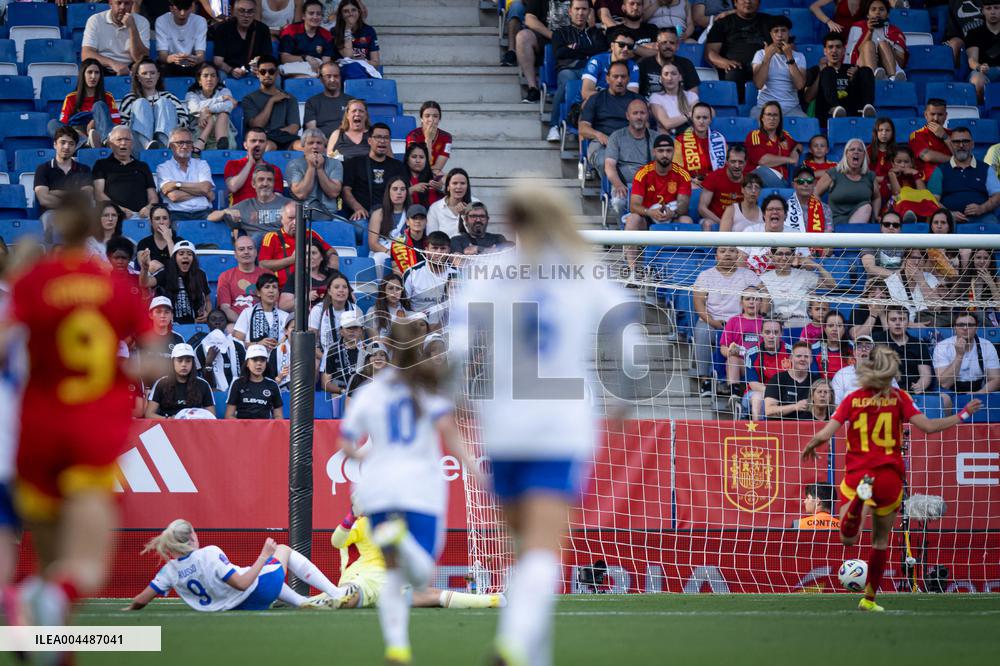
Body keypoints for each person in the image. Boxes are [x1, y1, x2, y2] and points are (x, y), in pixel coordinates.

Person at [448, 183, 641, 666]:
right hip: (563, 423)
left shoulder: (486, 270)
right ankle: (514, 644)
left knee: (522, 547)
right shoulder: (582, 270)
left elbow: (455, 349)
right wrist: (625, 395)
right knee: (541, 549)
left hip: (506, 422)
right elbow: (630, 331)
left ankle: (527, 652)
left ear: (509, 222)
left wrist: (455, 397)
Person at [0, 200, 161, 632]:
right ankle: (50, 597)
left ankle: (43, 622)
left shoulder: (33, 282)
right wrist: (116, 369)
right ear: (98, 231)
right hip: (91, 430)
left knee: (45, 548)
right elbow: (152, 359)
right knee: (87, 561)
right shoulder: (115, 286)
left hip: (35, 430)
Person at [336, 319, 476, 663]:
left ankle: (397, 647)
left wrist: (373, 452)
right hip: (419, 486)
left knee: (394, 575)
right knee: (420, 570)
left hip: (378, 487)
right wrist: (478, 473)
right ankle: (399, 539)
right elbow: (452, 437)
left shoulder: (370, 392)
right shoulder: (428, 391)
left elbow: (347, 445)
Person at [803, 346, 982, 611]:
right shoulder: (898, 397)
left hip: (858, 475)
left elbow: (827, 432)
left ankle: (857, 504)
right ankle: (869, 600)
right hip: (889, 476)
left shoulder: (853, 399)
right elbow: (928, 427)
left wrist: (812, 444)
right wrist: (963, 413)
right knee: (880, 542)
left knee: (848, 538)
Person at [126, 519, 344, 612]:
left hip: (238, 607)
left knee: (260, 569)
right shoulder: (209, 553)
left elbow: (140, 600)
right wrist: (263, 555)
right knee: (284, 550)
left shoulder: (169, 570)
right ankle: (335, 592)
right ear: (191, 536)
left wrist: (128, 610)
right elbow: (241, 583)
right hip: (258, 590)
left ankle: (300, 602)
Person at [321, 509, 504, 611]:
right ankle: (308, 601)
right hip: (364, 579)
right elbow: (336, 541)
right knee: (345, 598)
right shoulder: (361, 523)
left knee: (433, 595)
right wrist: (351, 515)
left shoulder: (395, 524)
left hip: (391, 584)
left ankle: (494, 600)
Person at [692, 246, 761, 397]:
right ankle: (706, 380)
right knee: (702, 332)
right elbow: (698, 303)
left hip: (741, 322)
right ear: (716, 255)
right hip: (714, 321)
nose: (727, 254)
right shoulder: (706, 275)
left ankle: (747, 382)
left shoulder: (748, 275)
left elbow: (764, 296)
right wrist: (713, 321)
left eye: (731, 251)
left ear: (738, 254)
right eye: (723, 251)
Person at [623, 135, 693, 268]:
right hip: (648, 220)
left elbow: (683, 206)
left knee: (687, 221)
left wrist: (673, 213)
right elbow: (634, 205)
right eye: (661, 151)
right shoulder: (643, 173)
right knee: (632, 219)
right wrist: (650, 212)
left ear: (673, 152)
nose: (665, 154)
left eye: (668, 150)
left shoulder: (682, 174)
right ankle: (633, 270)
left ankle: (683, 267)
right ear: (654, 152)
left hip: (672, 218)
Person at [546, 0, 608, 141]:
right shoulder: (560, 32)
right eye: (577, 9)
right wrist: (587, 52)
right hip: (569, 69)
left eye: (584, 9)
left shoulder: (596, 33)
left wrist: (574, 48)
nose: (580, 13)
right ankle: (554, 126)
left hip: (593, 72)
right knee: (568, 82)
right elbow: (559, 53)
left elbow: (601, 51)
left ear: (589, 12)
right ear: (570, 11)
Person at [578, 61, 644, 176]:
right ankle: (612, 192)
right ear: (607, 79)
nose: (619, 80)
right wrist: (599, 135)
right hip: (601, 144)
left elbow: (645, 126)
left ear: (628, 79)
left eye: (623, 77)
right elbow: (583, 128)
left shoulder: (637, 100)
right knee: (606, 162)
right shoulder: (595, 99)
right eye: (615, 76)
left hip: (630, 143)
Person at [927, 126, 1000, 225]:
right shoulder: (940, 170)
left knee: (992, 227)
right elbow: (932, 200)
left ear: (972, 144)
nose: (961, 145)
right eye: (956, 142)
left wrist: (982, 208)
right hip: (948, 220)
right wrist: (948, 214)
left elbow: (997, 195)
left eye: (965, 141)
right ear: (951, 145)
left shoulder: (986, 169)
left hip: (982, 217)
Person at [705, 0, 772, 103]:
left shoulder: (769, 21)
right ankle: (739, 110)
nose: (748, 1)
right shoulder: (722, 23)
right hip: (736, 68)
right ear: (735, 3)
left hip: (764, 65)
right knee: (734, 73)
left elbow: (786, 43)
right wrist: (725, 63)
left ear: (759, 3)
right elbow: (710, 53)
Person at [34, 127, 95, 240]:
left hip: (78, 214)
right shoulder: (43, 169)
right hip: (52, 213)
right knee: (49, 219)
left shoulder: (84, 169)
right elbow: (43, 199)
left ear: (75, 147)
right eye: (63, 142)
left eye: (71, 144)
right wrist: (72, 198)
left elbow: (85, 197)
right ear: (55, 144)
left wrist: (55, 193)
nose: (66, 147)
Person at [119, 58, 191, 153]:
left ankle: (163, 147)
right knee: (141, 103)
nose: (149, 76)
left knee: (163, 103)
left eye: (152, 73)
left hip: (168, 144)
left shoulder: (169, 97)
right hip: (137, 147)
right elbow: (121, 125)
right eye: (144, 73)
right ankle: (147, 145)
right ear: (138, 78)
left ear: (158, 75)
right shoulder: (130, 99)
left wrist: (160, 118)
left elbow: (185, 122)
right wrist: (145, 118)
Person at [804, 31, 876, 124]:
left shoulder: (851, 69)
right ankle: (835, 107)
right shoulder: (815, 70)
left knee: (866, 70)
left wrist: (855, 78)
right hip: (828, 115)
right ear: (825, 51)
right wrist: (820, 74)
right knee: (828, 71)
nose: (834, 50)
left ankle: (867, 108)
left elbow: (857, 93)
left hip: (851, 113)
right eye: (830, 47)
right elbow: (808, 98)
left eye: (838, 47)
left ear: (843, 51)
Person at [259, 202, 332, 289]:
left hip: (312, 287)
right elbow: (263, 265)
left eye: (298, 218)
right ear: (282, 219)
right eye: (291, 218)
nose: (295, 222)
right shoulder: (272, 237)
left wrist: (331, 275)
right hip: (283, 289)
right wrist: (293, 259)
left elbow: (331, 251)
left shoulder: (310, 233)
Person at [342, 123, 407, 220]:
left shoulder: (398, 166)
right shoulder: (354, 163)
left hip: (390, 216)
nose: (382, 141)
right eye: (378, 137)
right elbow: (345, 190)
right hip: (363, 215)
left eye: (386, 138)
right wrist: (358, 208)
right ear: (369, 141)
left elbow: (405, 191)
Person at [93, 126, 160, 218]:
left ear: (132, 144)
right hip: (113, 215)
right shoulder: (101, 165)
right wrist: (119, 209)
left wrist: (148, 208)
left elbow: (153, 196)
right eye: (119, 140)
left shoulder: (143, 166)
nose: (123, 143)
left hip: (141, 216)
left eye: (127, 139)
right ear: (110, 144)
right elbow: (98, 194)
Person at [604, 99, 656, 218]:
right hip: (625, 185)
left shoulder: (656, 137)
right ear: (628, 116)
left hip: (651, 186)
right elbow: (609, 165)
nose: (639, 117)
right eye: (635, 113)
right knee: (618, 201)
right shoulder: (616, 136)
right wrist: (618, 185)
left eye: (642, 113)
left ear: (647, 115)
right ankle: (623, 232)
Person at [759, 247, 836, 326]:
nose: (784, 258)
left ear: (793, 256)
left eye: (788, 254)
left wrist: (816, 265)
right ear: (773, 256)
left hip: (803, 327)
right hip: (776, 329)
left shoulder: (804, 275)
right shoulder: (764, 279)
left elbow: (832, 285)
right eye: (780, 254)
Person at [516, 0, 574, 103]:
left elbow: (589, 14)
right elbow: (529, 19)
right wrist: (554, 36)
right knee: (523, 37)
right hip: (547, 37)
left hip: (574, 38)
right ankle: (533, 88)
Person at [54, 59, 120, 149]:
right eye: (89, 72)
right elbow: (64, 126)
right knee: (52, 124)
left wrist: (96, 122)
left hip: (101, 132)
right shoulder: (71, 98)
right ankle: (85, 143)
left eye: (97, 73)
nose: (93, 76)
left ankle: (105, 142)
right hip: (77, 134)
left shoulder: (108, 97)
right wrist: (76, 132)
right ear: (82, 75)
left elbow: (117, 124)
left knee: (99, 105)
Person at [750, 15, 807, 118]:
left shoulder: (799, 56)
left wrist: (790, 57)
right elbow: (758, 84)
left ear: (788, 33)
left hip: (791, 108)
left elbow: (799, 86)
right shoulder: (760, 54)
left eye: (783, 30)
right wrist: (767, 58)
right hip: (765, 107)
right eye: (776, 31)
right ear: (771, 34)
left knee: (806, 125)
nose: (780, 35)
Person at [934, 310, 1000, 398]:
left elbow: (996, 379)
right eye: (961, 325)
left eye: (970, 325)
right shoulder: (942, 347)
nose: (965, 328)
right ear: (954, 328)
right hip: (951, 393)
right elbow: (945, 384)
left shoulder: (987, 345)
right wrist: (959, 355)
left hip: (980, 391)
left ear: (976, 328)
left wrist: (980, 393)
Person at [242, 55, 301, 151]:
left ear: (277, 73)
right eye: (263, 72)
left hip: (286, 139)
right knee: (268, 147)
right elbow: (257, 125)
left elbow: (294, 128)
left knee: (304, 147)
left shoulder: (289, 98)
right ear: (257, 73)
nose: (267, 75)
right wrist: (271, 101)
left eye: (271, 71)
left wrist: (274, 133)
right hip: (262, 139)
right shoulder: (249, 99)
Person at [815, 138, 879, 225]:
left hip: (861, 223)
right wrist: (822, 214)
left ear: (864, 155)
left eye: (860, 150)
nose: (856, 152)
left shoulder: (870, 176)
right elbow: (816, 193)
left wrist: (875, 215)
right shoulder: (833, 173)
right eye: (852, 149)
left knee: (866, 207)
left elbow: (877, 197)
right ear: (846, 154)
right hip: (836, 222)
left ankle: (850, 235)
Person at [155, 127, 215, 220]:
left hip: (204, 213)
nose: (185, 146)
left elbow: (205, 188)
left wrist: (176, 184)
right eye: (180, 143)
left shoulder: (202, 164)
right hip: (176, 215)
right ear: (171, 146)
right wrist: (203, 193)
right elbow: (174, 196)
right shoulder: (163, 168)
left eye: (188, 142)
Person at [875, 304, 934, 396]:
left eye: (902, 319)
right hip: (883, 391)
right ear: (887, 322)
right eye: (893, 320)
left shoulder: (919, 344)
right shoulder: (877, 340)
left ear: (908, 322)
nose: (898, 323)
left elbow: (926, 374)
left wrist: (921, 385)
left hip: (913, 392)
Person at [403, 232, 458, 330]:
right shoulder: (412, 273)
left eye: (443, 248)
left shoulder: (456, 274)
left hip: (447, 325)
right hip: (417, 326)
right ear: (426, 250)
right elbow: (403, 305)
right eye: (435, 248)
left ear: (449, 250)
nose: (439, 253)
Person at [148, 239, 211, 324]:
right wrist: (144, 269)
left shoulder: (200, 274)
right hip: (171, 324)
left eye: (189, 254)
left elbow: (207, 300)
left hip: (197, 324)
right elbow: (146, 283)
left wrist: (208, 314)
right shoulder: (166, 273)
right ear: (175, 258)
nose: (185, 256)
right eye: (181, 254)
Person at [81, 0, 151, 76]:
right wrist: (113, 64)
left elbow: (140, 58)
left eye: (127, 3)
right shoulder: (95, 20)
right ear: (110, 3)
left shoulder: (142, 22)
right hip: (102, 67)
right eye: (119, 3)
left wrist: (132, 28)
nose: (122, 7)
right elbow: (86, 54)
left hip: (131, 68)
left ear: (132, 4)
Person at [844, 0, 908, 82]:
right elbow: (855, 53)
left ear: (887, 14)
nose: (877, 12)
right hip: (862, 68)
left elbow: (901, 62)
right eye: (873, 9)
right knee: (868, 44)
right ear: (867, 14)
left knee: (883, 44)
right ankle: (873, 76)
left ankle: (893, 78)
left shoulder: (895, 31)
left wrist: (887, 51)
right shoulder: (858, 27)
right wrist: (870, 31)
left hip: (888, 69)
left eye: (881, 9)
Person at [718, 286, 764, 397]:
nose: (751, 302)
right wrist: (731, 351)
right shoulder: (733, 321)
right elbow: (723, 348)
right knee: (732, 358)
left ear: (761, 302)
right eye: (748, 299)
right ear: (741, 302)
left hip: (761, 365)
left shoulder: (766, 322)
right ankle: (734, 395)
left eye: (755, 299)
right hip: (742, 364)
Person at [287, 128, 343, 216]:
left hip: (330, 214)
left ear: (325, 146)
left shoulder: (335, 163)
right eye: (310, 143)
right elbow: (301, 194)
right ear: (303, 146)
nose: (315, 146)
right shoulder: (294, 164)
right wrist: (311, 167)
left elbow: (333, 193)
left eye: (319, 143)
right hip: (303, 216)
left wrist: (320, 169)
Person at [745, 101, 800, 187]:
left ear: (779, 119)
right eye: (769, 114)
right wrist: (789, 159)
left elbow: (797, 145)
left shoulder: (784, 135)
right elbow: (763, 160)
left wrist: (795, 151)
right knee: (762, 170)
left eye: (775, 115)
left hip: (781, 180)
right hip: (758, 180)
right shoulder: (755, 135)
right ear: (762, 118)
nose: (772, 118)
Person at [212, 0, 274, 78]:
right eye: (241, 11)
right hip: (229, 69)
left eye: (250, 11)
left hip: (255, 71)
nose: (246, 15)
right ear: (234, 12)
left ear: (255, 13)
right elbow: (218, 61)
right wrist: (231, 70)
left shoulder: (262, 29)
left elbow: (268, 58)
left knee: (274, 76)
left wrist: (260, 66)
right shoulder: (223, 28)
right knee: (219, 75)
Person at [225, 128, 286, 205]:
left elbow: (277, 199)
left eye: (261, 141)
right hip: (239, 212)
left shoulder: (274, 169)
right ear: (245, 145)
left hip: (263, 212)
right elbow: (233, 187)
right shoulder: (233, 164)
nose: (257, 144)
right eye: (253, 141)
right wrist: (250, 163)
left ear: (266, 145)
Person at [674, 103, 727, 191]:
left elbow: (725, 168)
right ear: (692, 119)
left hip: (714, 184)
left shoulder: (719, 139)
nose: (701, 121)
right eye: (698, 117)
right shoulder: (680, 141)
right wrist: (691, 180)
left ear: (710, 120)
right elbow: (676, 171)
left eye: (705, 118)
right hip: (691, 184)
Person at [185, 62, 237, 152]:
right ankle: (201, 143)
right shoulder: (191, 94)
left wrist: (206, 110)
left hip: (222, 128)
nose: (209, 79)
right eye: (205, 76)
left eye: (213, 76)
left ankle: (222, 146)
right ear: (199, 80)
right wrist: (220, 99)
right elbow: (195, 108)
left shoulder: (224, 91)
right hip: (201, 126)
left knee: (223, 114)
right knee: (213, 116)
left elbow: (229, 105)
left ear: (217, 79)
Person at [744, 318, 790, 419]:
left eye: (775, 332)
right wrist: (774, 393)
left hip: (785, 393)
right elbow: (753, 384)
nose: (771, 336)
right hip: (757, 393)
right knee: (758, 398)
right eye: (767, 332)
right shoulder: (752, 353)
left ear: (781, 333)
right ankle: (758, 431)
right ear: (761, 333)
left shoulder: (791, 352)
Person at [581, 27, 641, 102]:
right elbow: (586, 93)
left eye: (630, 46)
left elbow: (632, 96)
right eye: (621, 44)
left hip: (616, 108)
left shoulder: (633, 67)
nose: (626, 49)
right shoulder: (597, 61)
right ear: (612, 46)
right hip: (593, 105)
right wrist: (613, 99)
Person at [223, 344, 284, 418]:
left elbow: (278, 416)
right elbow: (229, 415)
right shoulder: (238, 384)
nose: (259, 363)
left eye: (263, 360)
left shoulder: (272, 385)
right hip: (242, 428)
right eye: (254, 359)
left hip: (265, 428)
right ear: (247, 363)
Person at [637, 27, 700, 97]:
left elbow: (693, 96)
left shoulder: (686, 64)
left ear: (677, 46)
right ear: (657, 45)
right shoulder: (643, 64)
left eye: (672, 43)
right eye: (664, 43)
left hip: (678, 106)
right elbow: (635, 93)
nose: (668, 46)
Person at [309, 272, 361, 358]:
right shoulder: (318, 310)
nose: (341, 290)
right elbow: (310, 343)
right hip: (323, 355)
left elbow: (360, 339)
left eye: (345, 287)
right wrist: (328, 360)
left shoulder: (356, 310)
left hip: (351, 356)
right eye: (336, 287)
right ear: (329, 291)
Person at [278, 0, 334, 78]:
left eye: (319, 14)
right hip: (295, 70)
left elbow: (326, 62)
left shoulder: (326, 35)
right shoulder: (291, 30)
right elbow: (284, 58)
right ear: (303, 16)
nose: (315, 17)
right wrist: (306, 58)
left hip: (316, 71)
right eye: (311, 13)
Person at [234, 273, 291, 349]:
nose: (271, 290)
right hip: (252, 358)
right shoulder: (247, 313)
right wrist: (258, 344)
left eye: (274, 287)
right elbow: (237, 343)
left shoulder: (285, 316)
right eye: (267, 287)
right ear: (258, 292)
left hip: (278, 358)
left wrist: (278, 345)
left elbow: (290, 342)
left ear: (278, 292)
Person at [195, 309, 247, 390]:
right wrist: (208, 363)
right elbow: (202, 381)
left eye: (221, 320)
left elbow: (245, 373)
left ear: (226, 323)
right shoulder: (200, 348)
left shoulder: (237, 346)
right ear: (208, 324)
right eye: (213, 319)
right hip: (212, 393)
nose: (217, 322)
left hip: (236, 391)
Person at [764, 340, 817, 419]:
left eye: (806, 356)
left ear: (811, 359)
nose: (803, 359)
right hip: (781, 428)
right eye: (798, 356)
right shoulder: (778, 379)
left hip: (809, 428)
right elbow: (769, 411)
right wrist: (795, 406)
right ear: (791, 358)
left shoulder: (816, 381)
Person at [698, 143, 746, 229]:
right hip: (715, 219)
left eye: (740, 162)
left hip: (738, 222)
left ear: (746, 163)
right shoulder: (714, 177)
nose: (737, 166)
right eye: (733, 161)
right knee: (707, 223)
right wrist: (724, 223)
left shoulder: (748, 180)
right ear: (726, 162)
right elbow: (702, 208)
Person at [156, 0, 208, 77]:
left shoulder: (200, 21)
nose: (182, 13)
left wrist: (195, 59)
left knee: (206, 70)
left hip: (192, 63)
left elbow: (201, 56)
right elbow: (162, 56)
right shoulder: (161, 21)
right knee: (159, 69)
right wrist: (172, 58)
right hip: (170, 64)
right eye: (179, 9)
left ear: (192, 8)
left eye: (186, 9)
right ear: (171, 9)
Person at [278, 241, 335, 310]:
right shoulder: (296, 277)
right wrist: (305, 298)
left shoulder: (333, 274)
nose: (310, 257)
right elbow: (283, 306)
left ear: (322, 257)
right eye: (307, 254)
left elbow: (349, 296)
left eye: (313, 253)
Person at [332, 0, 380, 81]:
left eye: (353, 10)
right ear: (341, 14)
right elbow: (348, 55)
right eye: (346, 11)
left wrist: (362, 61)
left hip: (364, 70)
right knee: (352, 69)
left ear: (359, 12)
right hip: (343, 72)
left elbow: (375, 62)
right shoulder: (335, 32)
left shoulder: (369, 31)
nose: (350, 14)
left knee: (356, 68)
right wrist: (347, 28)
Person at [304, 62, 354, 138]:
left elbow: (357, 127)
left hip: (347, 143)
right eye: (328, 76)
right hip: (322, 144)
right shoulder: (312, 102)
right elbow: (312, 131)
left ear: (340, 78)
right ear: (321, 79)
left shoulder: (351, 101)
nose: (332, 80)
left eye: (336, 76)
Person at [321, 310, 365, 394]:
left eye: (355, 327)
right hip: (340, 393)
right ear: (341, 331)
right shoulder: (331, 350)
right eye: (348, 327)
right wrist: (343, 391)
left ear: (361, 330)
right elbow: (325, 383)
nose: (352, 331)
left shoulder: (369, 349)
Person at [830, 334, 882, 404]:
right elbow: (835, 403)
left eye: (868, 347)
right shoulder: (841, 375)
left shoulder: (884, 373)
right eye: (860, 347)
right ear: (854, 353)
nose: (864, 349)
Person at [909, 99, 953, 182]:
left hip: (951, 180)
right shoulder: (916, 135)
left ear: (946, 116)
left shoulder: (952, 134)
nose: (936, 118)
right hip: (928, 182)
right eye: (932, 114)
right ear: (926, 115)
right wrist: (955, 160)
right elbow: (927, 156)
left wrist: (945, 137)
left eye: (940, 114)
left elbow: (962, 154)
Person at [427, 169, 478, 238]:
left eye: (462, 183)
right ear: (448, 187)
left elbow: (478, 235)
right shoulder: (435, 208)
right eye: (455, 183)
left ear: (467, 186)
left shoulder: (476, 204)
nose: (459, 187)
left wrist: (465, 216)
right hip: (444, 247)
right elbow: (431, 237)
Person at [649, 62, 700, 132]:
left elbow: (698, 116)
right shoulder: (655, 97)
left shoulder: (691, 96)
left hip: (689, 137)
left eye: (673, 74)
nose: (670, 78)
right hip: (668, 138)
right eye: (666, 74)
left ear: (680, 77)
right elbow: (667, 124)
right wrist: (689, 115)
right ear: (661, 79)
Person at [786, 166, 832, 242]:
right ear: (794, 184)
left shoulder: (825, 208)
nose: (806, 184)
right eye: (801, 181)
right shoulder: (784, 208)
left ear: (814, 184)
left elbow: (829, 230)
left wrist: (827, 247)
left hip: (817, 251)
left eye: (809, 181)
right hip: (792, 252)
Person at [406, 101, 453, 174]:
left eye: (435, 116)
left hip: (433, 173)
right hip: (413, 174)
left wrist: (429, 140)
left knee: (440, 175)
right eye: (427, 116)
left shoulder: (446, 137)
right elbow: (417, 165)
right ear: (421, 119)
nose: (431, 120)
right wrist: (428, 139)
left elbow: (438, 167)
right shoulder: (413, 136)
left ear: (439, 119)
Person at [967, 0, 1000, 103]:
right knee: (977, 80)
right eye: (989, 8)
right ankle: (982, 113)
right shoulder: (974, 33)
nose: (993, 12)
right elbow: (972, 59)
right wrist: (979, 67)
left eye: (996, 8)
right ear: (983, 11)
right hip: (985, 72)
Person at [366, 274, 414, 340]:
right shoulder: (372, 311)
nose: (395, 292)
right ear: (383, 291)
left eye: (398, 288)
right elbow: (375, 342)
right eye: (390, 288)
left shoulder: (408, 310)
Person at [812, 310, 852, 380]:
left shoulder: (853, 348)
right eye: (830, 326)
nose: (834, 329)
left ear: (844, 329)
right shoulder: (814, 349)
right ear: (824, 328)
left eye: (839, 326)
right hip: (823, 388)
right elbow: (813, 377)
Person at [390, 205, 430, 275]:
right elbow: (396, 270)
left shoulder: (431, 243)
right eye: (414, 218)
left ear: (426, 221)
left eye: (421, 218)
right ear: (407, 222)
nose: (418, 221)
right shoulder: (398, 244)